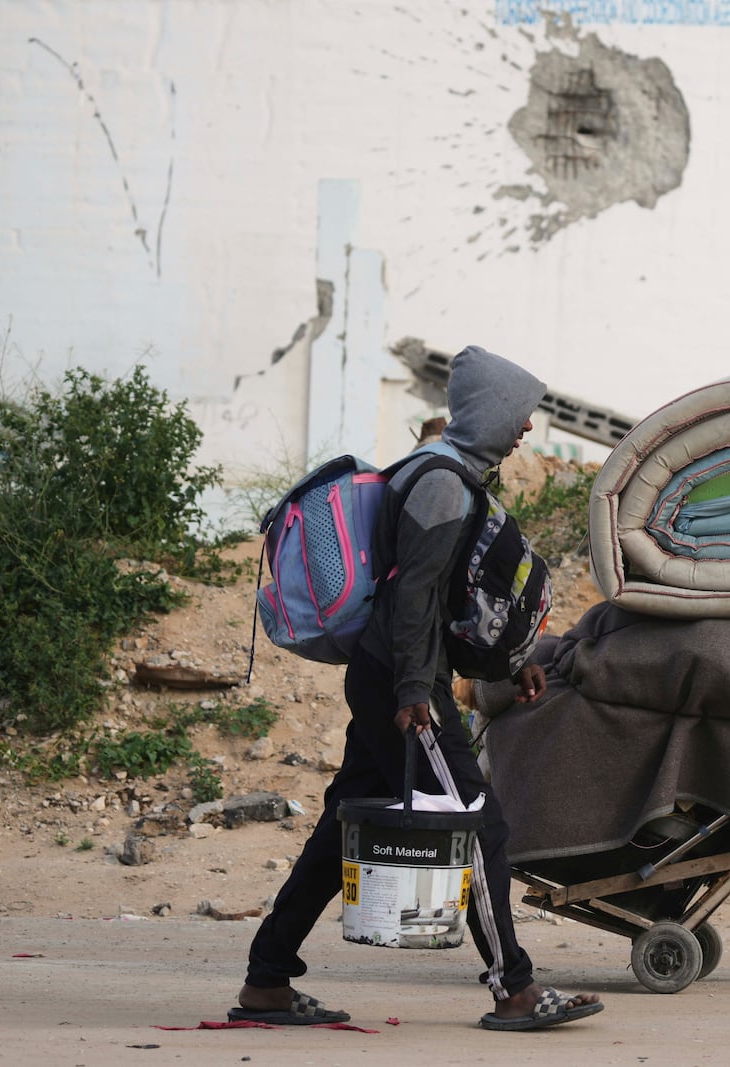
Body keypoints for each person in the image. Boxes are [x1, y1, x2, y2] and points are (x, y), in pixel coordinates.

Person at [231, 345, 604, 1031]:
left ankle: (267, 979)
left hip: (392, 674)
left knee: (341, 825)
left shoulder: (443, 474)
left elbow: (445, 601)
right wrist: (413, 695)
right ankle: (514, 989)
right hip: (404, 682)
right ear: (491, 411)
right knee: (478, 820)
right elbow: (413, 598)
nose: (526, 428)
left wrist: (503, 662)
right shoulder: (441, 484)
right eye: (520, 414)